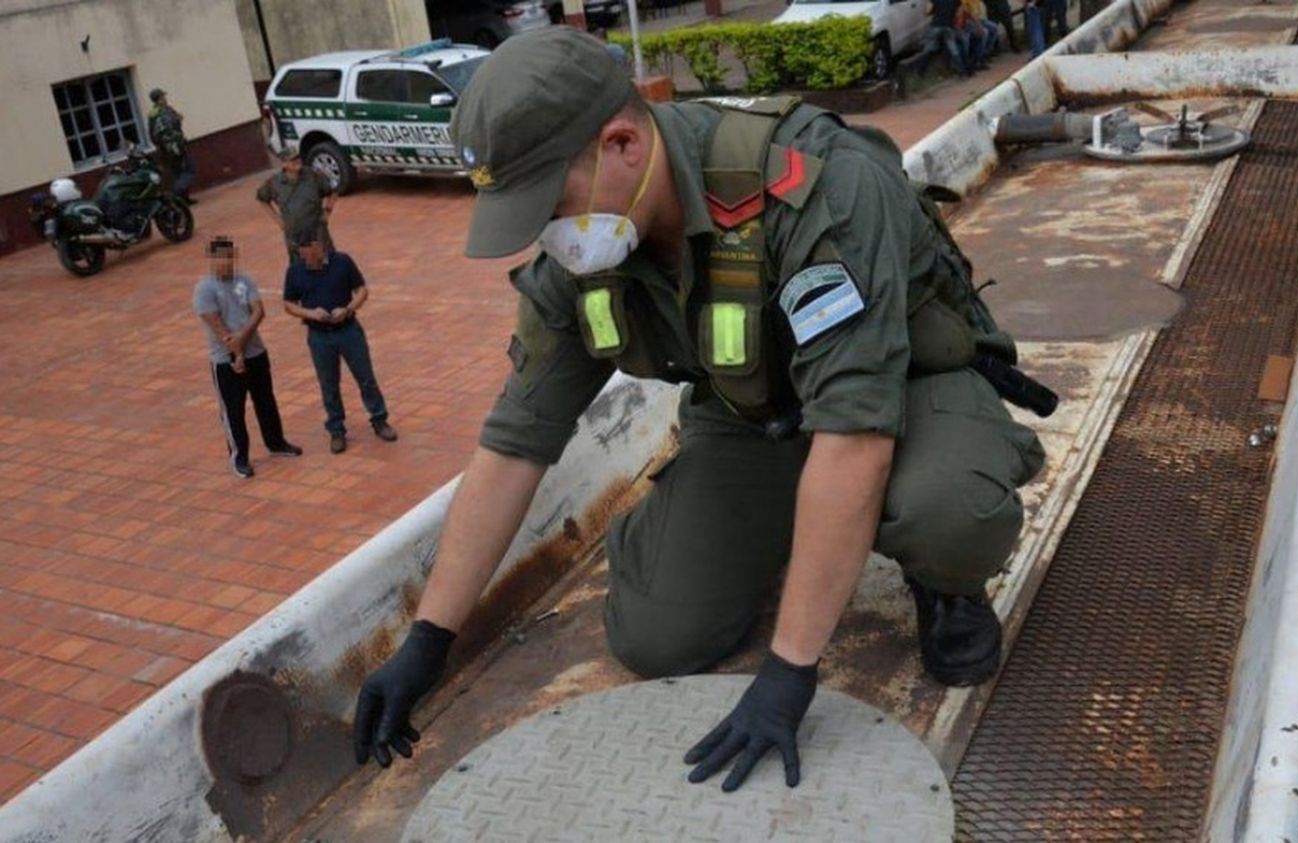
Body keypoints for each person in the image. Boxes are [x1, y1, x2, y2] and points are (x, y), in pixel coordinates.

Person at [352, 28, 1043, 791]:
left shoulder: (814, 185)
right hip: (756, 412)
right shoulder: (586, 257)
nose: (547, 236)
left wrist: (790, 670)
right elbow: (514, 443)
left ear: (621, 143)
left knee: (950, 513)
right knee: (656, 635)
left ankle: (943, 584)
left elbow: (854, 436)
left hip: (901, 387)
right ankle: (743, 527)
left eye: (549, 204)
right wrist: (427, 639)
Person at [193, 236, 302, 478]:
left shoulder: (245, 280)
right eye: (222, 258)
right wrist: (236, 353)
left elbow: (258, 311)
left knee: (265, 400)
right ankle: (239, 456)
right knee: (234, 410)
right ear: (212, 260)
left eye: (231, 257)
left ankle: (276, 443)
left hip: (255, 351)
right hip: (225, 359)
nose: (227, 263)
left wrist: (242, 342)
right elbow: (217, 325)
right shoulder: (204, 289)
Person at [281, 235, 397, 454]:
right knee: (328, 384)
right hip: (319, 336)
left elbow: (362, 290)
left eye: (312, 250)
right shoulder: (295, 271)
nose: (308, 256)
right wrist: (310, 314)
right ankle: (336, 429)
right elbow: (288, 304)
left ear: (320, 247)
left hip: (349, 331)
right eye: (304, 251)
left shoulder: (342, 262)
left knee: (366, 377)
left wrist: (348, 309)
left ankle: (379, 419)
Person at [257, 148, 337, 264]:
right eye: (292, 160)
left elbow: (332, 192)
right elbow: (262, 199)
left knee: (327, 264)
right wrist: (279, 221)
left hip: (317, 230)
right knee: (303, 268)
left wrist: (327, 212)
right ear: (284, 164)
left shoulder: (312, 175)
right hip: (296, 234)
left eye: (298, 158)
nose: (297, 162)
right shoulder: (275, 183)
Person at [147, 88, 196, 204]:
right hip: (175, 146)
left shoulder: (152, 114)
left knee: (178, 172)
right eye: (163, 96)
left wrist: (160, 146)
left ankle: (184, 199)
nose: (165, 98)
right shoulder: (165, 111)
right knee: (189, 168)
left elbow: (152, 134)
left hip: (164, 149)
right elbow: (172, 126)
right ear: (159, 99)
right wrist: (178, 119)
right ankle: (177, 193)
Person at [922, 0, 974, 76]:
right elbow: (960, 11)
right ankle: (962, 71)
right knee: (953, 49)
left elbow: (927, 12)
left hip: (936, 25)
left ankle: (921, 71)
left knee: (928, 48)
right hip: (948, 26)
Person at [961, 0, 1001, 70]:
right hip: (969, 21)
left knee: (994, 28)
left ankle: (985, 53)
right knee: (984, 33)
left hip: (979, 19)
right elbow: (967, 13)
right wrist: (978, 25)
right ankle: (978, 60)